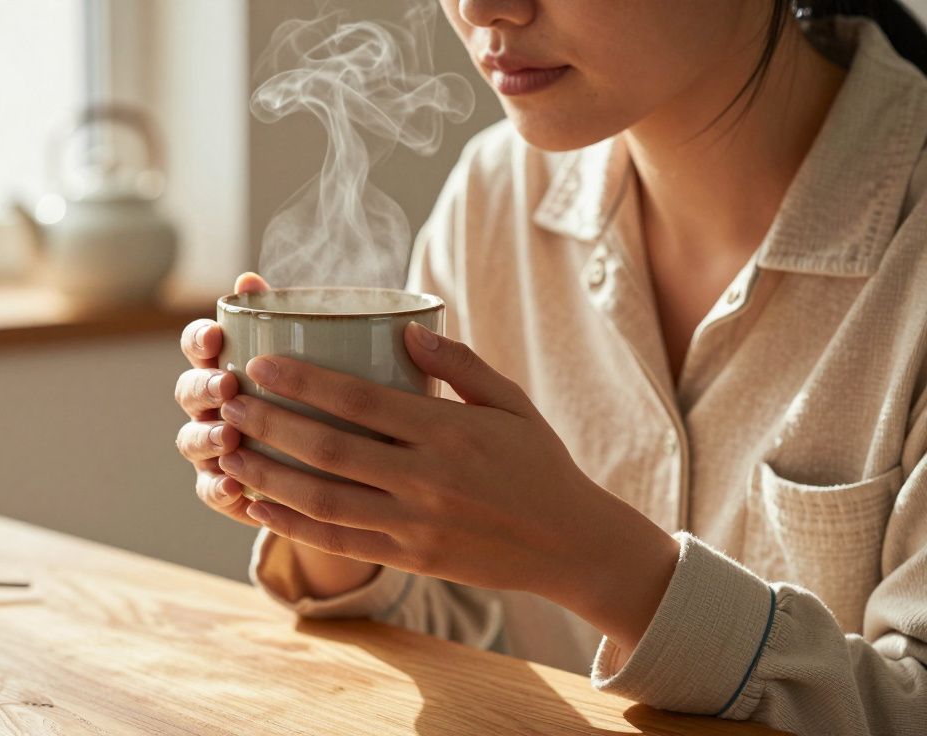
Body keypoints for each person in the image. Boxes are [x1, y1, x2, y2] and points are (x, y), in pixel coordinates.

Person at [174, 2, 927, 734]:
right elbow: (463, 629)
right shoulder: (492, 201)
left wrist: (599, 563)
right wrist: (318, 488)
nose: (480, 8)